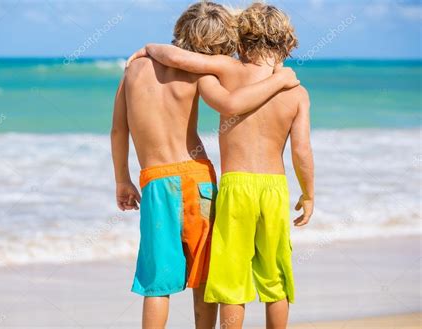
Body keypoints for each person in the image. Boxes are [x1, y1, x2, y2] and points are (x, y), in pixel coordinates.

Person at [112, 2, 300, 328]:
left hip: (155, 181)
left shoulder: (132, 71)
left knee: (158, 282)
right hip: (198, 177)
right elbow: (230, 104)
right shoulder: (203, 72)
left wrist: (122, 180)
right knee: (205, 274)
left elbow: (118, 130)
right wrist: (280, 81)